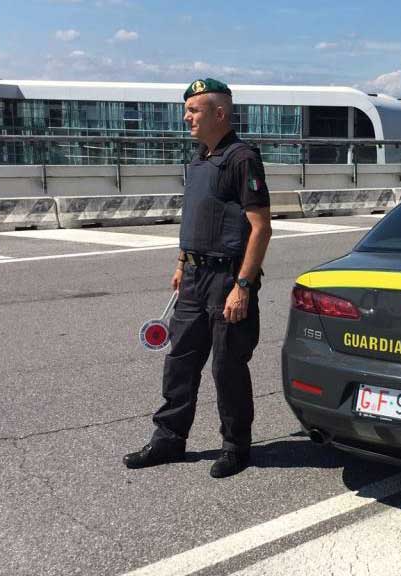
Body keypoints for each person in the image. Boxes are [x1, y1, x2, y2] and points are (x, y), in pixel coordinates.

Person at [124, 78, 272, 478]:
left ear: (219, 114)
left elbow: (261, 228)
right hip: (192, 277)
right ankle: (168, 439)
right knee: (180, 362)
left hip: (228, 280)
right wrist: (180, 262)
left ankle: (235, 447)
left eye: (194, 110)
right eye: (187, 110)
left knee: (227, 368)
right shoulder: (199, 160)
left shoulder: (241, 159)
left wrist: (243, 286)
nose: (186, 117)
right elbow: (197, 217)